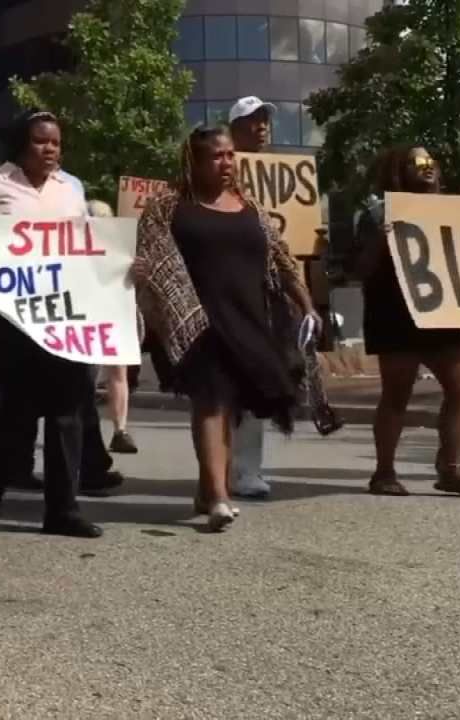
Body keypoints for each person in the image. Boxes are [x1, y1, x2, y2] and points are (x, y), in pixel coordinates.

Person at [135, 126, 312, 531]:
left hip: (248, 318)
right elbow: (149, 255)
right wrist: (141, 276)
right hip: (195, 320)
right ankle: (218, 495)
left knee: (231, 406)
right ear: (193, 162)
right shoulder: (168, 205)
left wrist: (305, 306)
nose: (227, 162)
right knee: (211, 401)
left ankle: (206, 488)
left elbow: (281, 258)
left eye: (230, 155)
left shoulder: (250, 204)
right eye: (216, 156)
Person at [0, 110, 105, 538]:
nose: (50, 150)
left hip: (63, 313)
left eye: (56, 143)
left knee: (69, 408)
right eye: (41, 142)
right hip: (10, 319)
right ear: (20, 144)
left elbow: (87, 245)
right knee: (17, 413)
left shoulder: (72, 188)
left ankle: (62, 509)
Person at [356, 146, 460, 499]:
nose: (428, 168)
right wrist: (384, 238)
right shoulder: (375, 212)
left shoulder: (450, 210)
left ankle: (451, 468)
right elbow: (362, 269)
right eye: (418, 163)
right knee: (397, 394)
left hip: (441, 311)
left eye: (431, 162)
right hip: (395, 314)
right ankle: (383, 472)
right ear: (399, 169)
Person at [223, 96, 276, 499]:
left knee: (258, 381)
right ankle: (224, 466)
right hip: (226, 291)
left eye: (264, 121)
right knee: (225, 385)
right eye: (251, 121)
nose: (260, 128)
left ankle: (247, 468)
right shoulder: (216, 174)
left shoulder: (280, 180)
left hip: (266, 292)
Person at [86, 199, 139, 455]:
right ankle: (88, 428)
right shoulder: (74, 249)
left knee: (118, 372)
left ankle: (121, 430)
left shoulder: (121, 248)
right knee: (87, 376)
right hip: (84, 318)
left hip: (113, 314)